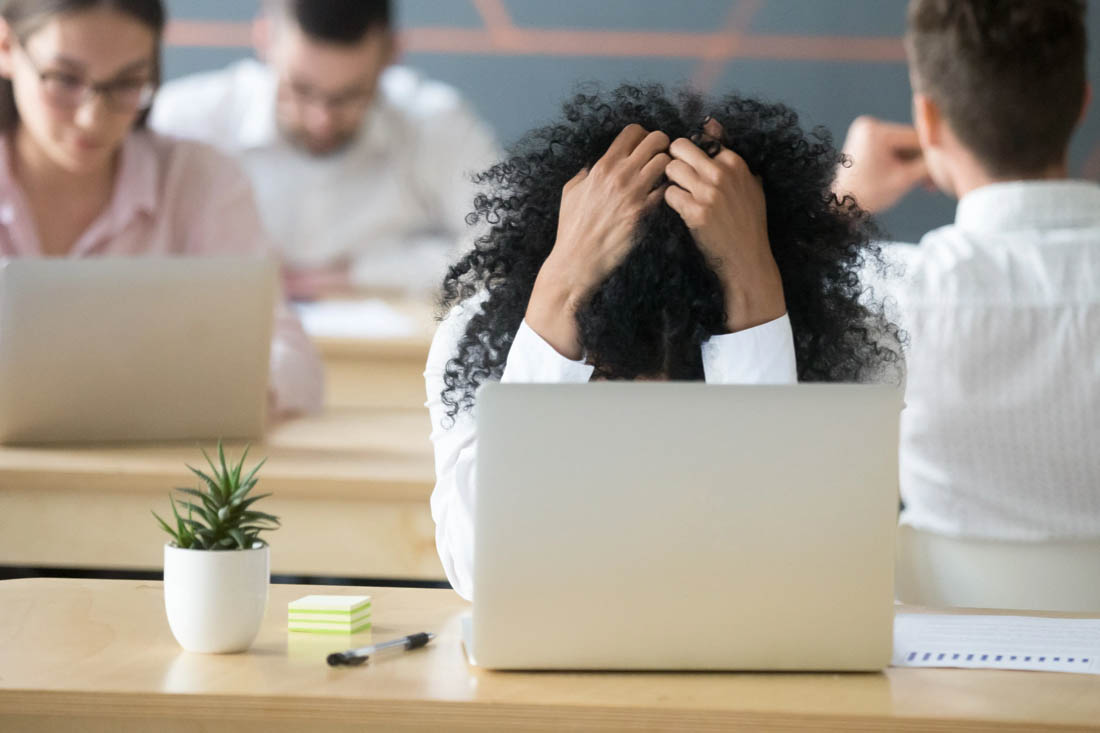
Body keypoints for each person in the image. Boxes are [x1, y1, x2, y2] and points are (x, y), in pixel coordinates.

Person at [426, 84, 905, 599]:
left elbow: (797, 579)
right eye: (613, 371)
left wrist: (753, 293)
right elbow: (483, 570)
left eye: (692, 366)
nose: (652, 389)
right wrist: (560, 290)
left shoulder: (853, 347)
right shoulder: (484, 338)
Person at [834, 0, 1100, 609]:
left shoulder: (889, 292)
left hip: (942, 670)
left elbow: (760, 323)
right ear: (1081, 104)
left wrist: (843, 198)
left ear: (928, 120)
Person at [0, 0, 323, 416]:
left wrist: (207, 385)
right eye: (64, 79)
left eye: (126, 84)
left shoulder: (203, 182)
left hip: (162, 471)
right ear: (6, 46)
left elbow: (297, 365)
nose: (91, 117)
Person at [150, 0, 499, 299]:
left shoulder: (436, 124)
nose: (321, 120)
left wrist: (362, 274)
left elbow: (506, 248)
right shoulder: (184, 120)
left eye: (348, 96)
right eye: (300, 89)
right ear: (263, 40)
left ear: (392, 54)